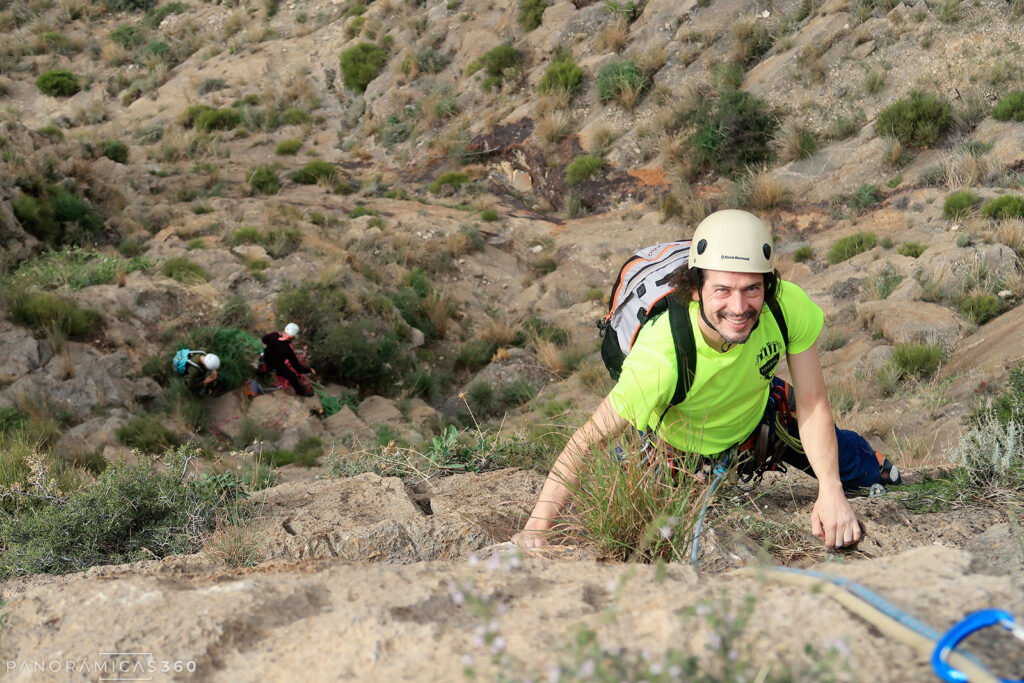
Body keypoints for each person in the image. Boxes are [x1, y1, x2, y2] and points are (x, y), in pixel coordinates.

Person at [515, 210, 901, 552]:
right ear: (695, 288)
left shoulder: (785, 307)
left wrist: (830, 490)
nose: (739, 307)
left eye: (752, 288)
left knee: (861, 472)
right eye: (723, 290)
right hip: (672, 447)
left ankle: (874, 464)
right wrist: (535, 531)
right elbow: (586, 442)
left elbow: (813, 404)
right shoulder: (663, 356)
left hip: (757, 419)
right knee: (622, 521)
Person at [261, 322, 314, 397]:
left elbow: (264, 339)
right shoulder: (287, 350)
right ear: (290, 337)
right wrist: (309, 370)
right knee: (292, 375)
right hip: (275, 366)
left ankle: (261, 370)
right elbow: (298, 369)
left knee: (267, 357)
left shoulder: (274, 335)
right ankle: (302, 392)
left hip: (265, 357)